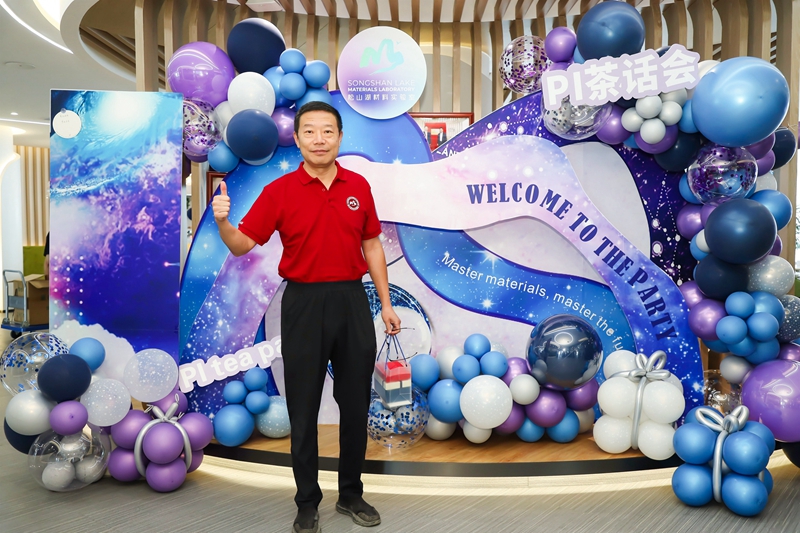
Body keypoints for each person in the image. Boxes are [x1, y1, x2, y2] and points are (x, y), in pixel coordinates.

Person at [211, 101, 400, 533]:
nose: (319, 139)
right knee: (303, 406)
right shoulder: (279, 191)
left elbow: (372, 245)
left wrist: (386, 302)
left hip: (352, 301)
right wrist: (223, 223)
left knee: (356, 404)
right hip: (302, 304)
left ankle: (351, 494)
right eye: (310, 131)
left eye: (327, 131)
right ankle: (307, 501)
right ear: (296, 139)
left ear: (339, 137)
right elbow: (241, 245)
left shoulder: (359, 186)